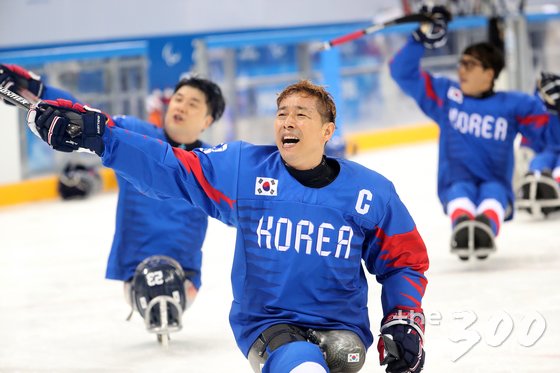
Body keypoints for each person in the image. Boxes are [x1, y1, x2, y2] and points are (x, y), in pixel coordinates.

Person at [26, 79, 429, 373]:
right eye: (282, 113)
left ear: (327, 131)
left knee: (343, 356)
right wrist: (102, 139)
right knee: (302, 365)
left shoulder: (371, 191)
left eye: (301, 114)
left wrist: (403, 317)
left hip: (343, 329)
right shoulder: (244, 169)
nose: (287, 122)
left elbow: (403, 261)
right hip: (270, 323)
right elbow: (174, 169)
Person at [0, 63, 226, 343]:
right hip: (134, 268)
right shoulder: (135, 136)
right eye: (178, 99)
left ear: (207, 120)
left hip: (186, 273)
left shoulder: (215, 161)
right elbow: (86, 118)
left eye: (193, 104)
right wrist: (35, 89)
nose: (181, 106)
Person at [389, 6, 558, 260]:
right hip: (456, 180)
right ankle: (463, 228)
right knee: (459, 194)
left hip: (496, 182)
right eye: (461, 63)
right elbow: (402, 72)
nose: (462, 70)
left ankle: (484, 230)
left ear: (489, 74)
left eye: (470, 64)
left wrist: (554, 108)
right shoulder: (447, 96)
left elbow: (549, 137)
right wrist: (419, 40)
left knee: (495, 196)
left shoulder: (513, 104)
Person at [517, 72, 560, 216]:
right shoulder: (536, 105)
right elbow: (532, 130)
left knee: (558, 168)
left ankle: (554, 186)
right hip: (547, 148)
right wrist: (527, 146)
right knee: (538, 162)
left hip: (553, 148)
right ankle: (535, 182)